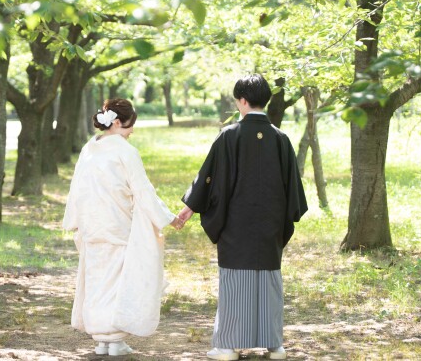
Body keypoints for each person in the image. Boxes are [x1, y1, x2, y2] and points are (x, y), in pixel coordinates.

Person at [177, 74, 308, 361]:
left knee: (236, 282)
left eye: (237, 100)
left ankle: (228, 347)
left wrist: (191, 206)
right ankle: (275, 346)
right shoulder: (281, 138)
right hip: (271, 224)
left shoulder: (229, 136)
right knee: (269, 281)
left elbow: (209, 180)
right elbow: (293, 189)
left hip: (236, 225)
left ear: (243, 101)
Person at [63, 98, 184, 356]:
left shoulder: (88, 149)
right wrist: (169, 218)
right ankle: (114, 339)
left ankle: (102, 340)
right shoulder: (126, 152)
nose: (132, 131)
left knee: (97, 280)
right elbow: (143, 191)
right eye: (130, 126)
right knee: (119, 282)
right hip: (118, 224)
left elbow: (76, 188)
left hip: (92, 225)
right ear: (117, 123)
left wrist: (74, 221)